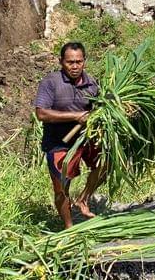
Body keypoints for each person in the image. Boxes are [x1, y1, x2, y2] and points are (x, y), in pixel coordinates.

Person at [33, 41, 107, 228]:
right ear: (61, 62)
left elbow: (100, 108)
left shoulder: (92, 84)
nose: (75, 66)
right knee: (61, 189)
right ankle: (69, 227)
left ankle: (83, 199)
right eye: (70, 62)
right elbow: (41, 113)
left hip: (85, 139)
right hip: (59, 142)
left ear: (84, 61)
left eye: (78, 62)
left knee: (106, 163)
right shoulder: (51, 82)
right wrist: (75, 116)